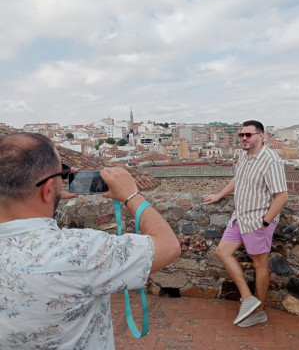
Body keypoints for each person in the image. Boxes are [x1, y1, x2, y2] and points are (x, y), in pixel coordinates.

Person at [0, 132, 181, 349]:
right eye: (62, 173)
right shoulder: (80, 252)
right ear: (48, 189)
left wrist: (50, 193)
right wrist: (131, 194)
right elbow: (168, 246)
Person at [203, 120, 287, 327]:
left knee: (260, 264)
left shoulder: (271, 161)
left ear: (261, 136)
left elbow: (282, 196)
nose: (244, 138)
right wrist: (219, 195)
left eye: (249, 135)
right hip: (240, 217)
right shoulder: (244, 155)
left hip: (258, 220)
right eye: (242, 135)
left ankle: (260, 311)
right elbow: (237, 179)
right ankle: (247, 298)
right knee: (223, 251)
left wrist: (265, 222)